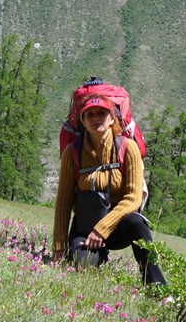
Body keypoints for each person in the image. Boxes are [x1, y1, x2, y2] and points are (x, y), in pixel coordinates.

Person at [53, 95, 166, 285]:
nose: (95, 118)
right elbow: (63, 203)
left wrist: (101, 230)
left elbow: (133, 199)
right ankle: (98, 256)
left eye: (101, 113)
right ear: (83, 120)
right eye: (90, 114)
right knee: (82, 270)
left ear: (112, 118)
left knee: (137, 222)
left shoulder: (128, 148)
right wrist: (58, 248)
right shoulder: (72, 152)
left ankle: (156, 285)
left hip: (117, 228)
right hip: (84, 227)